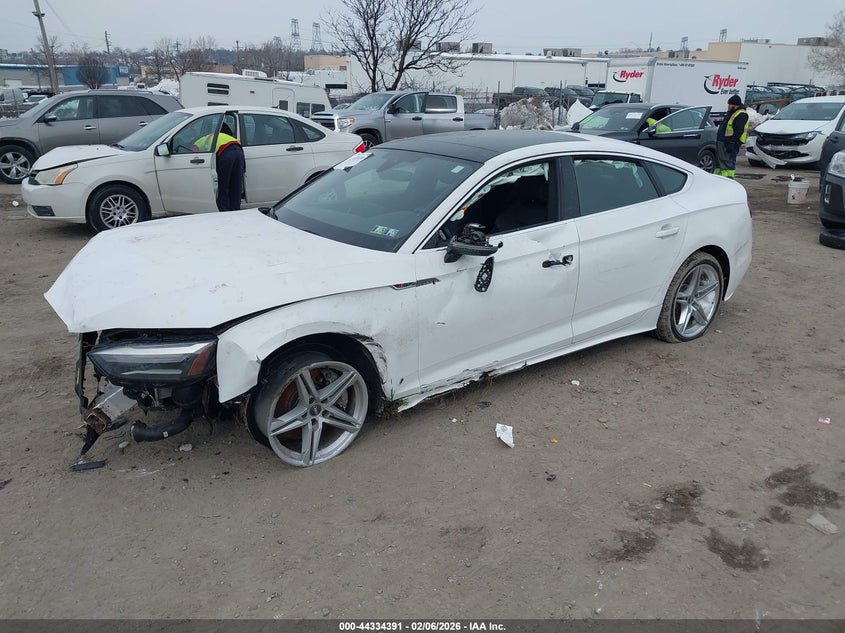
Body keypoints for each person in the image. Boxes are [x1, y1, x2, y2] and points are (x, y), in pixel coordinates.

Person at [192, 123, 245, 211]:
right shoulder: (221, 136)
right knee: (236, 184)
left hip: (226, 153)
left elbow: (193, 152)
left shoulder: (200, 141)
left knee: (223, 185)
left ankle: (225, 210)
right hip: (239, 151)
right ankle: (235, 209)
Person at [714, 94, 749, 178]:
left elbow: (739, 131)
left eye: (730, 104)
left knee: (728, 162)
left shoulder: (741, 114)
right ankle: (719, 179)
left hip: (730, 143)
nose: (728, 106)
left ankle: (728, 179)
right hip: (723, 141)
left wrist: (732, 143)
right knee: (720, 162)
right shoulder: (732, 113)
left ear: (736, 105)